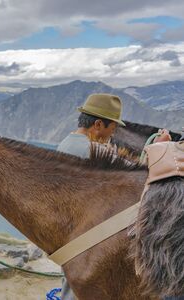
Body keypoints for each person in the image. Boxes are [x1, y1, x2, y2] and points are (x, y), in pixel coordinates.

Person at [57, 93, 126, 300]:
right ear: (97, 124)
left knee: (71, 284)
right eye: (112, 129)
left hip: (68, 234)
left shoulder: (67, 142)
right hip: (87, 238)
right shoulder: (91, 151)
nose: (111, 136)